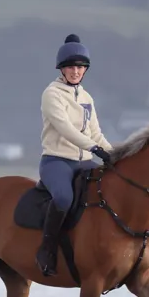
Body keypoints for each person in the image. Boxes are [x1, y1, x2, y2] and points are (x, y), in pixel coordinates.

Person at [36, 34, 112, 276]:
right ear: (62, 69)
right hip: (57, 161)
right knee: (63, 199)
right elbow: (65, 129)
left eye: (80, 67)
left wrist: (116, 155)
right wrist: (94, 148)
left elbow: (96, 133)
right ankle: (46, 249)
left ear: (85, 69)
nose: (75, 71)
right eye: (70, 67)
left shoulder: (87, 98)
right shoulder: (52, 94)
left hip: (84, 163)